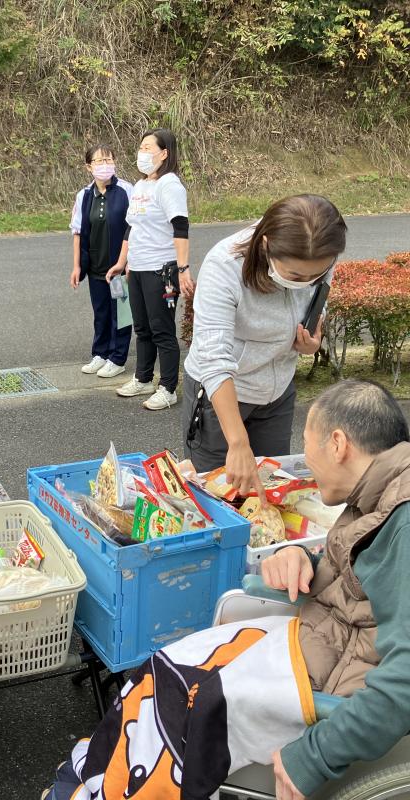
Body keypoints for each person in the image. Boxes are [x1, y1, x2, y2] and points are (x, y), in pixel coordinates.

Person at [42, 380, 410, 800]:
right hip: (321, 643)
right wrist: (306, 562)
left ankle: (109, 789)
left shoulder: (403, 519)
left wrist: (314, 756)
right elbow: (365, 583)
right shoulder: (383, 491)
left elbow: (404, 681)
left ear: (339, 444)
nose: (306, 462)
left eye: (308, 447)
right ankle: (99, 779)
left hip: (330, 683)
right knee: (165, 665)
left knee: (182, 701)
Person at [182, 194, 346, 499]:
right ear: (267, 245)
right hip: (222, 396)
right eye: (296, 275)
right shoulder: (225, 265)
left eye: (316, 275)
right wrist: (238, 442)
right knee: (217, 495)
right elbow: (214, 359)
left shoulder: (321, 254)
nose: (306, 281)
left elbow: (316, 307)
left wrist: (311, 343)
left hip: (277, 392)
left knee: (270, 491)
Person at [105, 128, 194, 410]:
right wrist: (123, 262)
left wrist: (183, 268)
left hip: (162, 269)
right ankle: (143, 378)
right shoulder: (142, 186)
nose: (142, 153)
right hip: (139, 268)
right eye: (141, 147)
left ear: (164, 153)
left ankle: (168, 388)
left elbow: (181, 226)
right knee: (142, 328)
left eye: (148, 148)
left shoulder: (170, 185)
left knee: (161, 330)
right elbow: (132, 227)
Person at [69, 144, 134, 379]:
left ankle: (117, 358)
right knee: (101, 312)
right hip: (95, 266)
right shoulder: (85, 194)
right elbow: (77, 232)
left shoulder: (127, 190)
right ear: (89, 167)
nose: (104, 165)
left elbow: (135, 228)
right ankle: (100, 353)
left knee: (121, 313)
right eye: (98, 161)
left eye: (108, 160)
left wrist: (127, 261)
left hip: (118, 267)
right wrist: (77, 266)